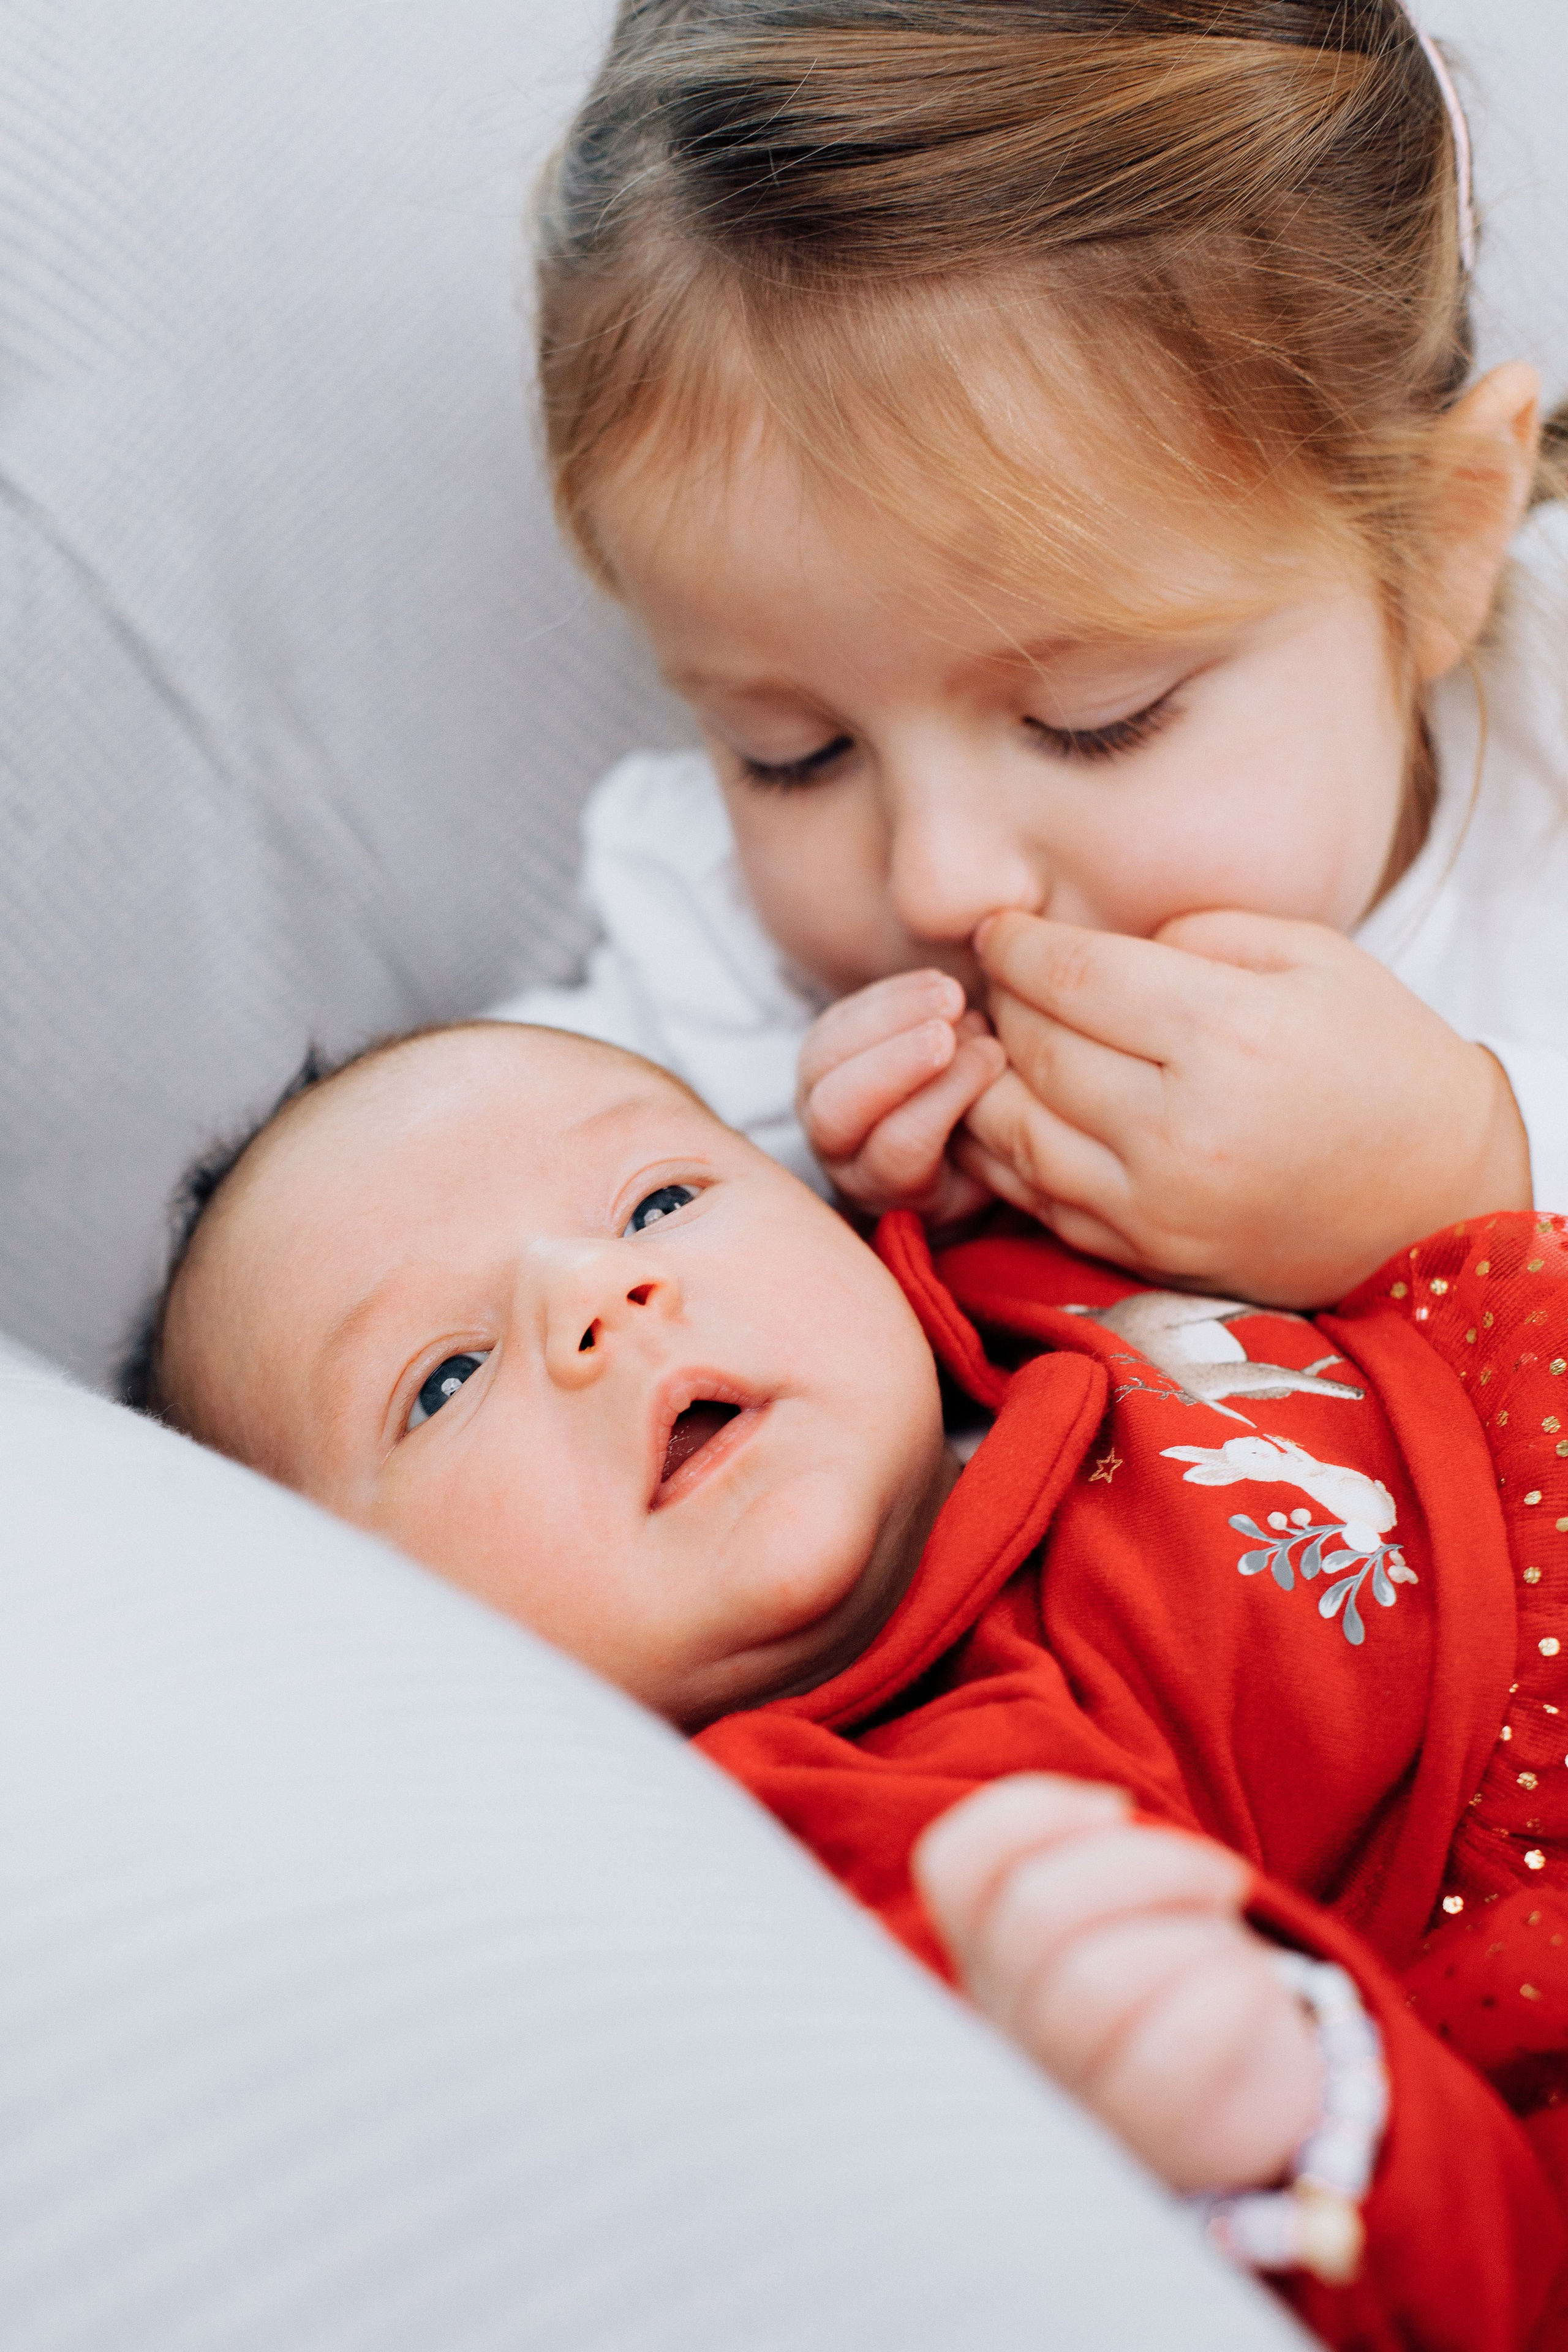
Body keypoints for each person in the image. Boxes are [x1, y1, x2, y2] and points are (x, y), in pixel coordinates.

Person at [124, 1018, 1568, 2352]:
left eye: (658, 1201)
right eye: (444, 1378)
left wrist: (978, 1111)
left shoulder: (992, 1279)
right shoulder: (872, 1849)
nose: (596, 1292)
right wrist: (1249, 2120)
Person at [493, 0, 1568, 1308]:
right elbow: (420, 1240)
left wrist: (1479, 1165)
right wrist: (779, 1209)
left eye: (1093, 719)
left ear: (1444, 539)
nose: (937, 886)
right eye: (792, 755)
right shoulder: (718, 974)